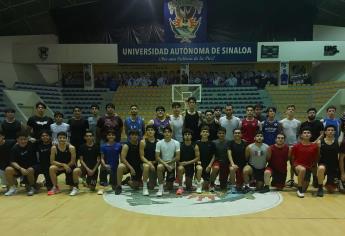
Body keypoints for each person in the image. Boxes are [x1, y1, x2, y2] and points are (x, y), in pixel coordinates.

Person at [4, 132, 39, 196]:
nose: (23, 141)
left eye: (25, 139)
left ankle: (32, 187)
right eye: (21, 139)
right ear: (17, 140)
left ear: (27, 139)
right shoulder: (14, 148)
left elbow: (43, 141)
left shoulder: (32, 144)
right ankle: (13, 188)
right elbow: (12, 162)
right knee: (8, 169)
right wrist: (20, 168)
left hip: (33, 167)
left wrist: (35, 140)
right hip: (20, 168)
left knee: (30, 170)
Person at [48, 132, 81, 196]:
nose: (62, 139)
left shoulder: (71, 148)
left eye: (64, 138)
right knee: (51, 168)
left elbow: (73, 161)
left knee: (71, 187)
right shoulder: (54, 148)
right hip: (60, 166)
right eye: (60, 138)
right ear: (57, 139)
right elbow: (52, 161)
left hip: (70, 167)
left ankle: (75, 187)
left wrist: (66, 166)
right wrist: (63, 165)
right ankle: (55, 187)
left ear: (67, 139)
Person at [291, 127, 319, 198]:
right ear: (301, 135)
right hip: (298, 166)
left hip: (308, 168)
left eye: (308, 133)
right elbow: (292, 158)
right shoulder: (296, 146)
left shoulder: (315, 146)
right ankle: (299, 189)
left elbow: (316, 158)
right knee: (302, 169)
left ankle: (296, 185)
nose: (306, 134)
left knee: (304, 189)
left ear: (311, 135)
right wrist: (294, 166)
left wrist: (314, 171)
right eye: (305, 133)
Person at [300, 107, 324, 188]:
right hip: (306, 145)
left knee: (315, 163)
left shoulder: (319, 123)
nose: (312, 114)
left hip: (316, 145)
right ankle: (306, 177)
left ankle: (315, 178)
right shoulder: (303, 124)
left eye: (313, 112)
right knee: (306, 162)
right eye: (310, 112)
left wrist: (315, 142)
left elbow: (322, 134)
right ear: (307, 114)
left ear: (315, 114)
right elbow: (301, 135)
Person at [280, 104, 301, 187]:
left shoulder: (298, 122)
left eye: (292, 109)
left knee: (293, 164)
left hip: (294, 146)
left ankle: (292, 179)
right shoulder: (281, 122)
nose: (291, 110)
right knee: (283, 163)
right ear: (286, 111)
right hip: (284, 146)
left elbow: (299, 134)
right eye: (289, 109)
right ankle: (282, 180)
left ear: (294, 111)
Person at [115, 129, 142, 195]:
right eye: (132, 135)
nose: (134, 136)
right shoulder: (126, 146)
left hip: (137, 166)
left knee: (136, 186)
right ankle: (119, 186)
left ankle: (128, 181)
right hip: (128, 166)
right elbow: (123, 158)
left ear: (138, 136)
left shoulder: (141, 144)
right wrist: (131, 168)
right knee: (120, 166)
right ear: (129, 136)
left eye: (136, 135)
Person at [155, 126, 180, 196]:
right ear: (163, 133)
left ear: (171, 133)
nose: (167, 133)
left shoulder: (176, 143)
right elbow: (157, 157)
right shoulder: (159, 143)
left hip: (171, 164)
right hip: (163, 164)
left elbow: (177, 157)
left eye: (169, 132)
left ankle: (166, 182)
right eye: (165, 132)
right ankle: (160, 188)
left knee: (169, 188)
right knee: (159, 167)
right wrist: (166, 164)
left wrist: (170, 163)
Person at [176, 129, 202, 194]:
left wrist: (187, 163)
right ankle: (180, 187)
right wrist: (179, 163)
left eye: (189, 134)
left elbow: (198, 158)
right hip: (182, 166)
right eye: (185, 134)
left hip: (190, 165)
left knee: (188, 187)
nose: (187, 136)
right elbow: (177, 157)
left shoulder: (195, 145)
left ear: (191, 136)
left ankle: (190, 183)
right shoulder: (179, 145)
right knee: (180, 168)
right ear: (183, 136)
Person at [316, 125, 340, 197]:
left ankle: (331, 183)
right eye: (328, 130)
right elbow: (316, 154)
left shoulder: (338, 141)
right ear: (325, 132)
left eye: (332, 130)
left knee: (331, 190)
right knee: (321, 168)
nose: (330, 131)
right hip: (323, 164)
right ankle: (320, 188)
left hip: (334, 166)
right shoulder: (320, 142)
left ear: (335, 132)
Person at [98, 130, 122, 195]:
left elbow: (121, 157)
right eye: (109, 135)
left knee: (114, 188)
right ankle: (102, 187)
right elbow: (102, 158)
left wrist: (121, 165)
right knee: (102, 168)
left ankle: (122, 182)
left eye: (112, 135)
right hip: (106, 166)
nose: (111, 136)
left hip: (115, 167)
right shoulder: (103, 146)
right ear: (106, 136)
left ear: (115, 136)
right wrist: (105, 165)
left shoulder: (119, 145)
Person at [209, 127, 231, 191]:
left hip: (225, 162)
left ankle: (223, 182)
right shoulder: (214, 142)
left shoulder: (229, 142)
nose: (221, 134)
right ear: (217, 134)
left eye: (223, 133)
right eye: (220, 133)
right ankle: (212, 184)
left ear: (225, 134)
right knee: (215, 168)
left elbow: (230, 154)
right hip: (216, 161)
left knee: (223, 186)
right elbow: (212, 154)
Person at [195, 126, 216, 191]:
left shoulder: (211, 143)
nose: (205, 133)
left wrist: (209, 166)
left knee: (205, 187)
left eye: (206, 132)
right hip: (200, 164)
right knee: (199, 169)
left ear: (208, 134)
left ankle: (211, 183)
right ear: (200, 133)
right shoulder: (197, 143)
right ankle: (198, 185)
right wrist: (198, 161)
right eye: (203, 132)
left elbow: (214, 156)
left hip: (208, 165)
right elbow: (196, 155)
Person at [140, 125, 158, 196]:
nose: (150, 131)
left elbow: (159, 156)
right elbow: (142, 156)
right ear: (146, 132)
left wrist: (154, 162)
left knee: (151, 187)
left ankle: (150, 181)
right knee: (146, 166)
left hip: (154, 163)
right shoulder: (143, 142)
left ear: (154, 131)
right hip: (145, 163)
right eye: (148, 130)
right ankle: (144, 188)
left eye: (152, 130)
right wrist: (150, 163)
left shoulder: (158, 142)